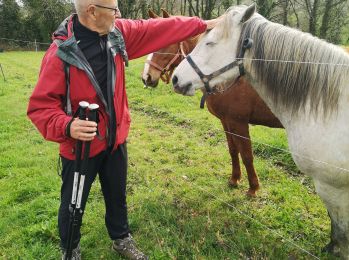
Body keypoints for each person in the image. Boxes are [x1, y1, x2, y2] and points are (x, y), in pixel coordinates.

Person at [27, 0, 214, 259]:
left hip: (115, 140)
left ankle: (121, 239)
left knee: (117, 195)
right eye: (113, 9)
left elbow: (159, 28)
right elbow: (40, 107)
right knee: (73, 202)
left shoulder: (117, 34)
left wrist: (202, 24)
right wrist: (68, 126)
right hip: (80, 147)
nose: (119, 14)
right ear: (92, 12)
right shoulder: (60, 54)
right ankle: (70, 248)